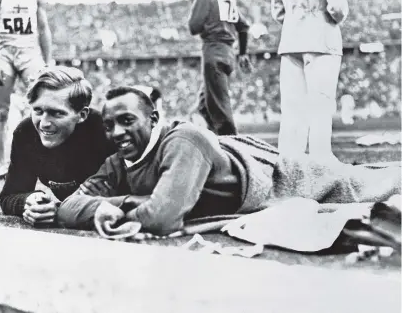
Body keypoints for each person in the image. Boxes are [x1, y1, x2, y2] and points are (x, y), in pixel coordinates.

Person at [56, 87, 400, 235]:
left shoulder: (184, 139)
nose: (116, 132)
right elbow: (68, 206)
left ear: (153, 118)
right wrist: (108, 207)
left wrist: (116, 203)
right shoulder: (119, 161)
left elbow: (162, 217)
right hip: (266, 193)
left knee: (384, 184)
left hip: (305, 181)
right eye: (108, 125)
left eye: (127, 121)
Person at [0, 66, 115, 226]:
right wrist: (30, 201)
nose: (44, 123)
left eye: (57, 113)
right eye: (38, 111)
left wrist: (60, 211)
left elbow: (123, 196)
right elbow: (9, 196)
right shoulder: (25, 132)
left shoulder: (105, 133)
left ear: (82, 115)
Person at [271, 0, 349, 161]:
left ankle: (290, 161)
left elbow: (278, 13)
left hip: (291, 41)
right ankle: (320, 158)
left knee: (292, 109)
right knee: (320, 105)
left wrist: (295, 20)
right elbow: (337, 8)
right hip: (322, 39)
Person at [0, 0, 52, 179]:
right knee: (2, 111)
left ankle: (41, 159)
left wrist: (48, 61)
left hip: (30, 52)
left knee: (44, 105)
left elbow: (43, 28)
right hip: (4, 51)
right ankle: (1, 164)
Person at [185, 0, 252, 136]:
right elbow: (243, 27)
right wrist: (242, 53)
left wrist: (195, 3)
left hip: (213, 51)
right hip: (228, 54)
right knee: (204, 104)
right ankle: (210, 139)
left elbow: (194, 27)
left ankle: (232, 144)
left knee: (218, 108)